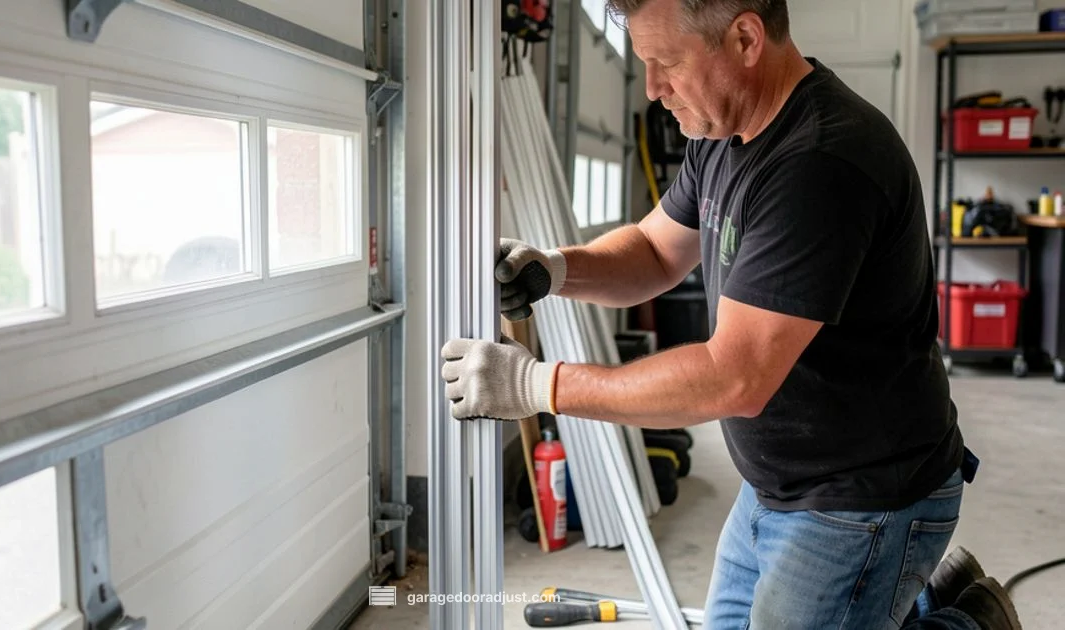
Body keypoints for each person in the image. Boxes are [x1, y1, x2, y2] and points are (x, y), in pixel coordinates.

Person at [438, 0, 1024, 628]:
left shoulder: (820, 164)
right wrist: (555, 268)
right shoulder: (722, 129)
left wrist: (534, 385)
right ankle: (926, 599)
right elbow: (656, 250)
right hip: (778, 484)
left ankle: (967, 621)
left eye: (667, 64)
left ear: (745, 38)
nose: (656, 89)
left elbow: (732, 377)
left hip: (863, 496)